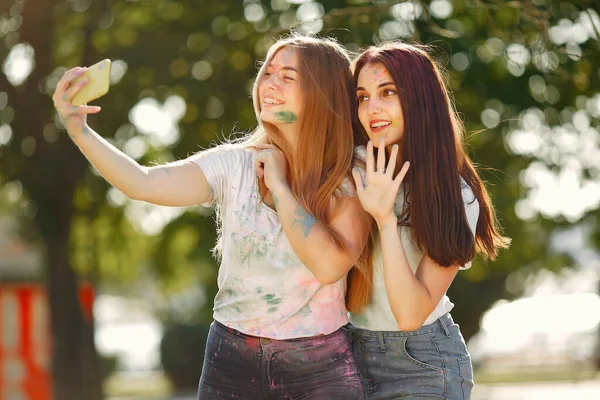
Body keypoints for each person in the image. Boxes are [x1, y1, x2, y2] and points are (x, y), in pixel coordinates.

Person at [52, 35, 370, 399]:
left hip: (320, 367)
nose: (270, 82)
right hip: (231, 361)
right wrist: (79, 130)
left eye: (288, 76)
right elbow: (143, 183)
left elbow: (330, 266)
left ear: (322, 91)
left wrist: (281, 188)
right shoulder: (234, 165)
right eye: (268, 72)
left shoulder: (349, 176)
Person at [346, 42, 511, 400]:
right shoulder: (351, 168)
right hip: (345, 356)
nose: (371, 108)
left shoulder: (455, 194)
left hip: (423, 363)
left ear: (420, 98)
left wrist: (385, 219)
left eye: (387, 92)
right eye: (362, 97)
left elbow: (410, 314)